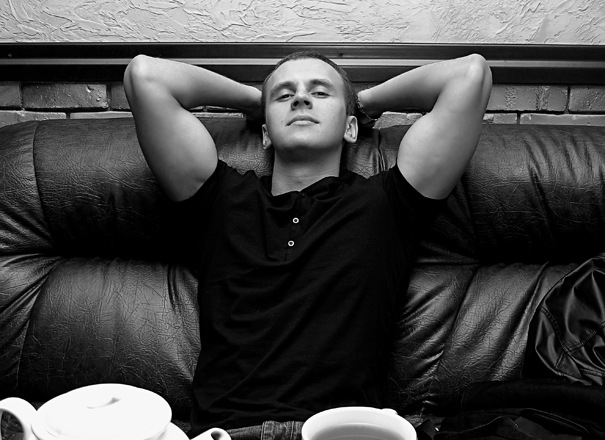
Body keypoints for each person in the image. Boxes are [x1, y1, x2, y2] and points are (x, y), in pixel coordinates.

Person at [124, 49, 492, 440]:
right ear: (265, 133)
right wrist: (256, 101)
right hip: (227, 432)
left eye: (319, 92)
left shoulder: (387, 205)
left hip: (340, 433)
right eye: (285, 95)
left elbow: (470, 75)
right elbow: (145, 76)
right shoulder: (220, 200)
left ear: (351, 129)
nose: (300, 98)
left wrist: (362, 102)